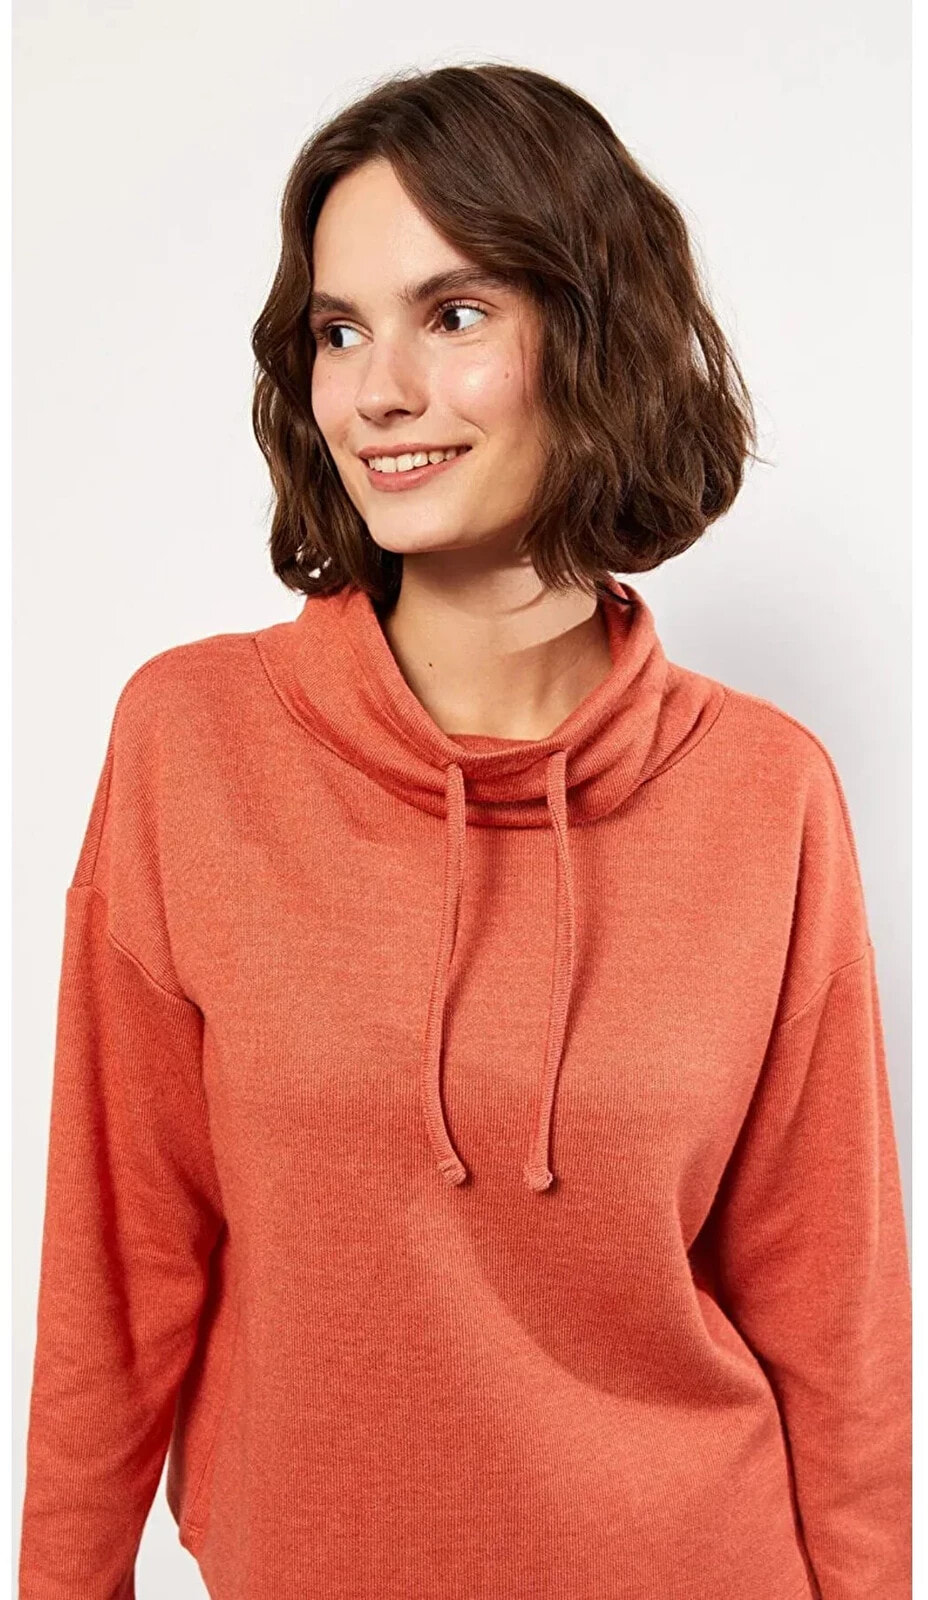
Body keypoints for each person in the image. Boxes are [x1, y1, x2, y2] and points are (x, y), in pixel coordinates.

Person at [18, 61, 911, 1600]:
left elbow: (836, 1335)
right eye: (340, 331)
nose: (378, 392)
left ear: (594, 332)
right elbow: (115, 1281)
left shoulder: (767, 794)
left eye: (454, 314)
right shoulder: (194, 745)